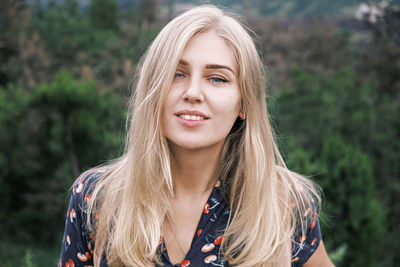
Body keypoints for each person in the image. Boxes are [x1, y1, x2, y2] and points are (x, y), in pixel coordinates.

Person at [58, 5, 334, 267]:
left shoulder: (285, 202)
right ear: (153, 89)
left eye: (217, 78)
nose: (192, 92)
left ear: (244, 104)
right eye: (177, 74)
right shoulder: (97, 198)